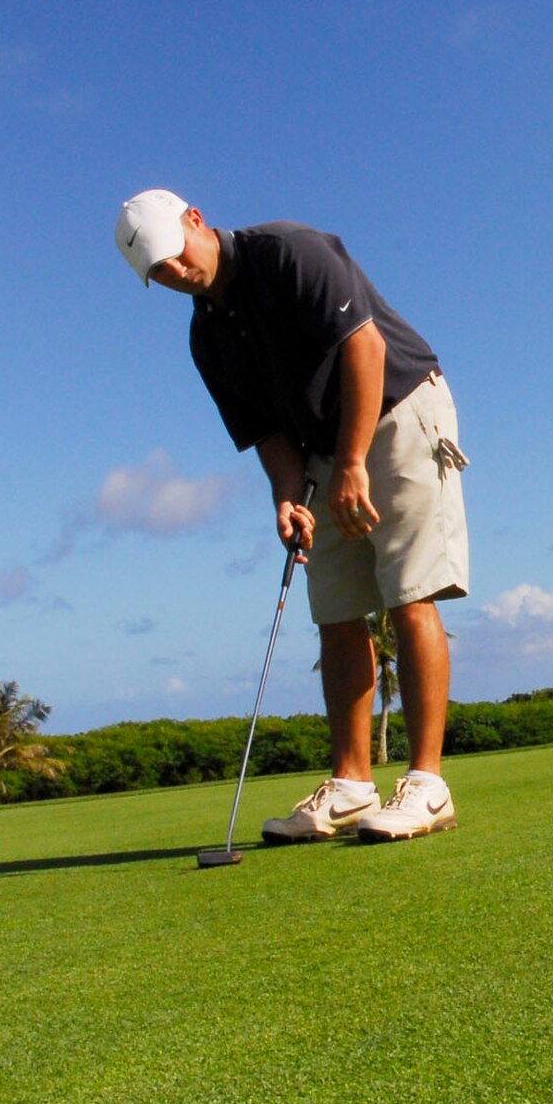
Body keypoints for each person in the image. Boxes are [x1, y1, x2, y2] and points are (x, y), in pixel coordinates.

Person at [115, 189, 470, 842]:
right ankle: (352, 786)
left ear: (196, 219)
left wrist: (355, 461)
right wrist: (287, 494)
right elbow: (265, 432)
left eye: (174, 255)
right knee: (335, 609)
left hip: (398, 412)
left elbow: (365, 349)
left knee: (409, 593)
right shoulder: (206, 335)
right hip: (322, 452)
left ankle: (428, 784)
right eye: (157, 272)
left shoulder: (287, 251)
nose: (174, 273)